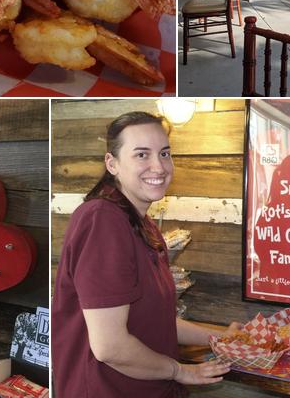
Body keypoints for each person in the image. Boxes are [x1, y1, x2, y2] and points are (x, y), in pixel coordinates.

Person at [52, 112, 239, 397]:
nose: (159, 166)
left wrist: (217, 337)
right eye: (142, 154)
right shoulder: (101, 220)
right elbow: (110, 347)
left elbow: (153, 319)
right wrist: (181, 371)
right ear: (112, 163)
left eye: (164, 153)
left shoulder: (141, 224)